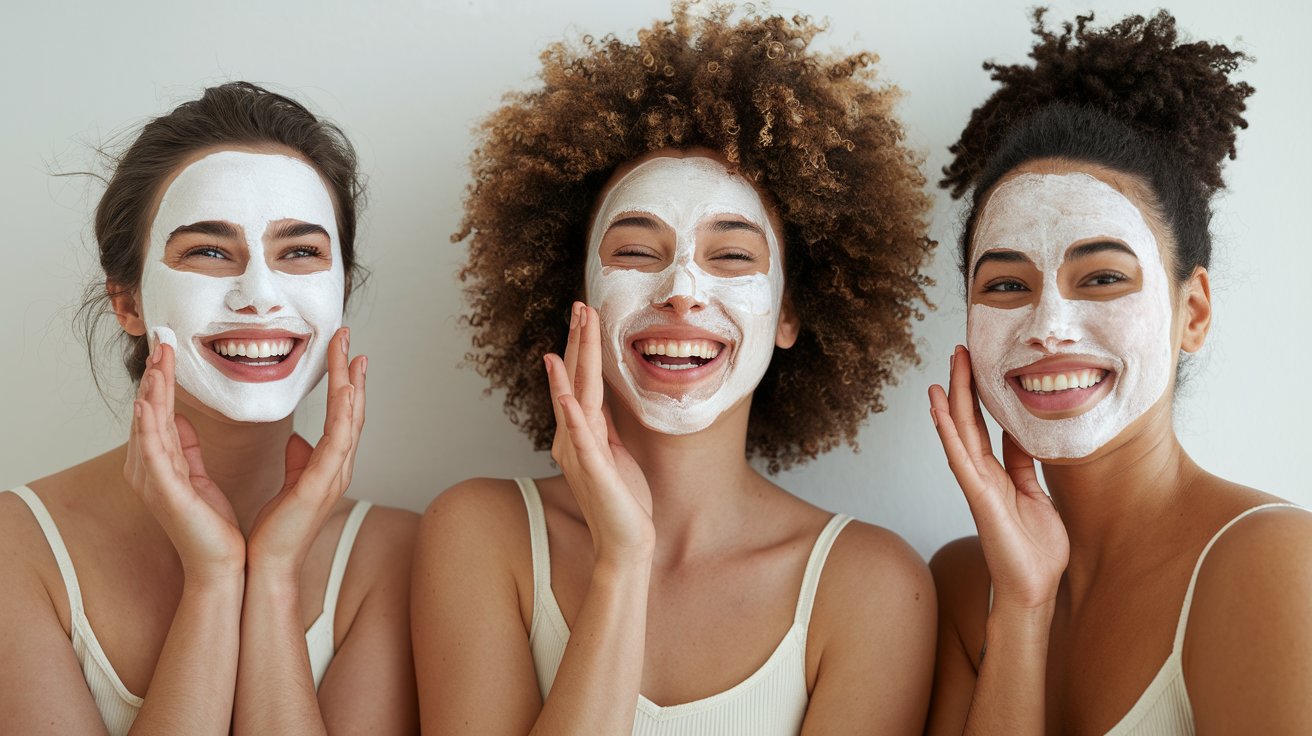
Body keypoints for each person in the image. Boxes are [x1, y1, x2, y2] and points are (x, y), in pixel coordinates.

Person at [413, 5, 937, 734]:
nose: (682, 289)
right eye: (635, 251)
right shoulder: (480, 532)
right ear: (579, 298)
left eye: (732, 255)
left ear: (790, 313)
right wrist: (622, 563)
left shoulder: (873, 585)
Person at [926, 11, 1312, 734]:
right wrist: (1023, 606)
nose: (1048, 328)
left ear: (1192, 312)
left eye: (1101, 277)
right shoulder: (960, 586)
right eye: (1006, 286)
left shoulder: (1274, 564)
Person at [0, 82, 418, 734]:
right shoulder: (14, 547)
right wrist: (215, 580)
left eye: (301, 252)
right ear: (129, 302)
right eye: (209, 251)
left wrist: (273, 575)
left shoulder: (399, 556)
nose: (260, 294)